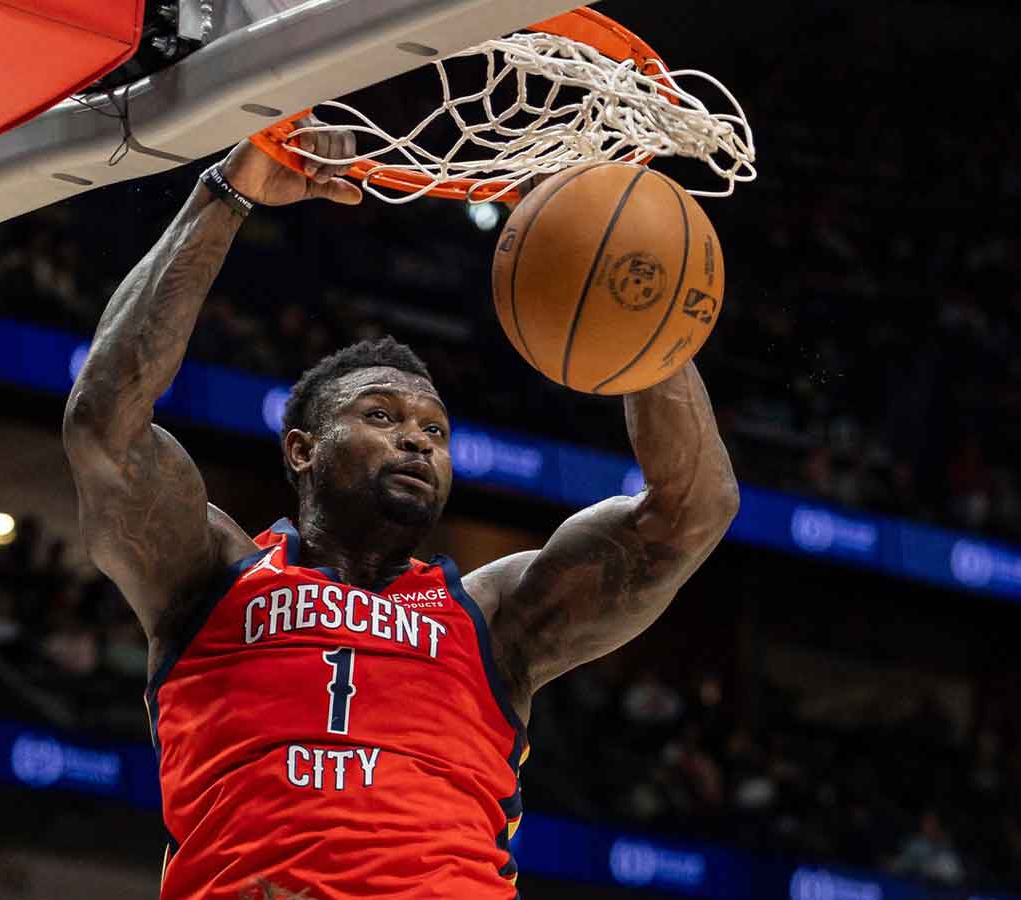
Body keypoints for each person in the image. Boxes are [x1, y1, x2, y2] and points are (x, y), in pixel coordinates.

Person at [63, 122, 739, 899]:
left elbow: (691, 513)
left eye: (435, 431)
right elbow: (105, 426)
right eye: (381, 416)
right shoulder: (209, 577)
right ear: (301, 450)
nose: (416, 440)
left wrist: (642, 319)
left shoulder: (493, 616)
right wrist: (227, 193)